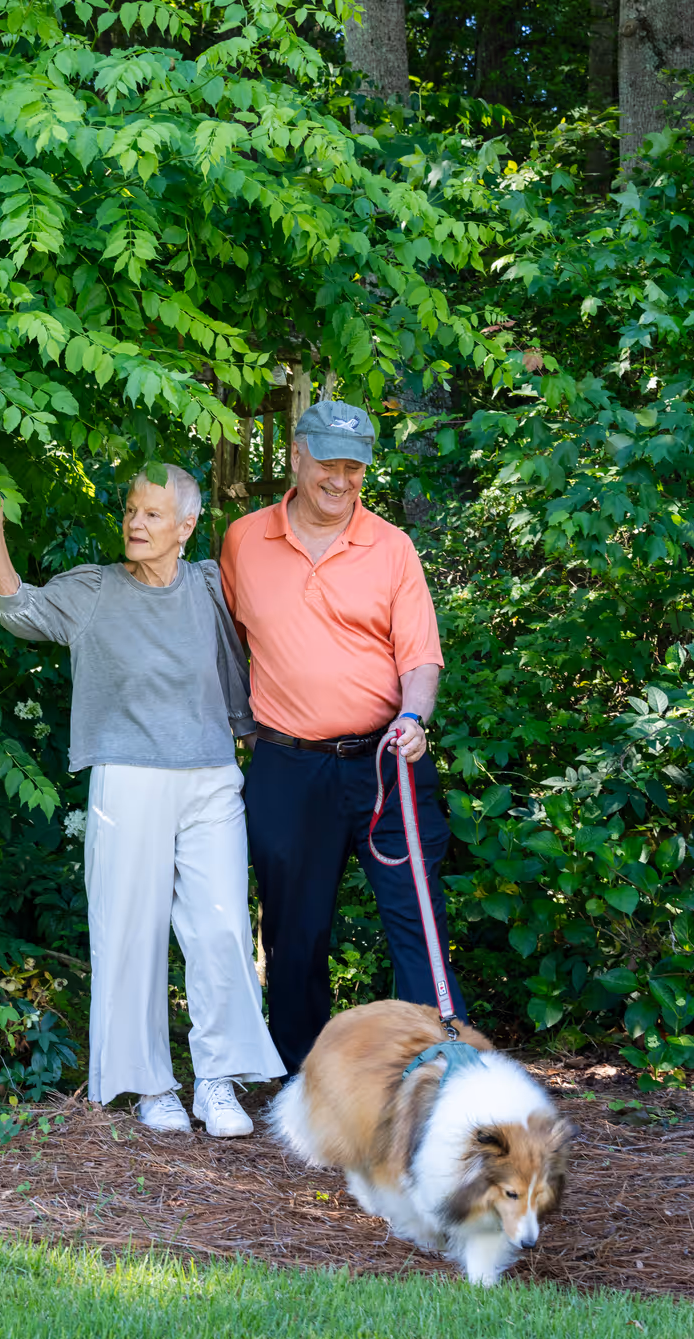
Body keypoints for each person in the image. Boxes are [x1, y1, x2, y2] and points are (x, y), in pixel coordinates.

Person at [0, 468, 287, 1137]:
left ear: (187, 527)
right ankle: (151, 1084)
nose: (136, 523)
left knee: (220, 925)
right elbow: (20, 610)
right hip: (129, 776)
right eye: (132, 510)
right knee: (130, 930)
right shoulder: (95, 589)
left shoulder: (209, 586)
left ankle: (217, 1080)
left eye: (153, 514)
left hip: (211, 773)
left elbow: (247, 654)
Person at [218, 399, 465, 1074]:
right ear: (296, 456)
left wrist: (413, 718)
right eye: (328, 462)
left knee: (415, 922)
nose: (341, 478)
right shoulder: (243, 540)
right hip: (287, 762)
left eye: (354, 466)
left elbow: (420, 654)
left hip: (386, 760)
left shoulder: (391, 546)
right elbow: (235, 642)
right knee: (294, 934)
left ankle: (440, 1076)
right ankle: (303, 1082)